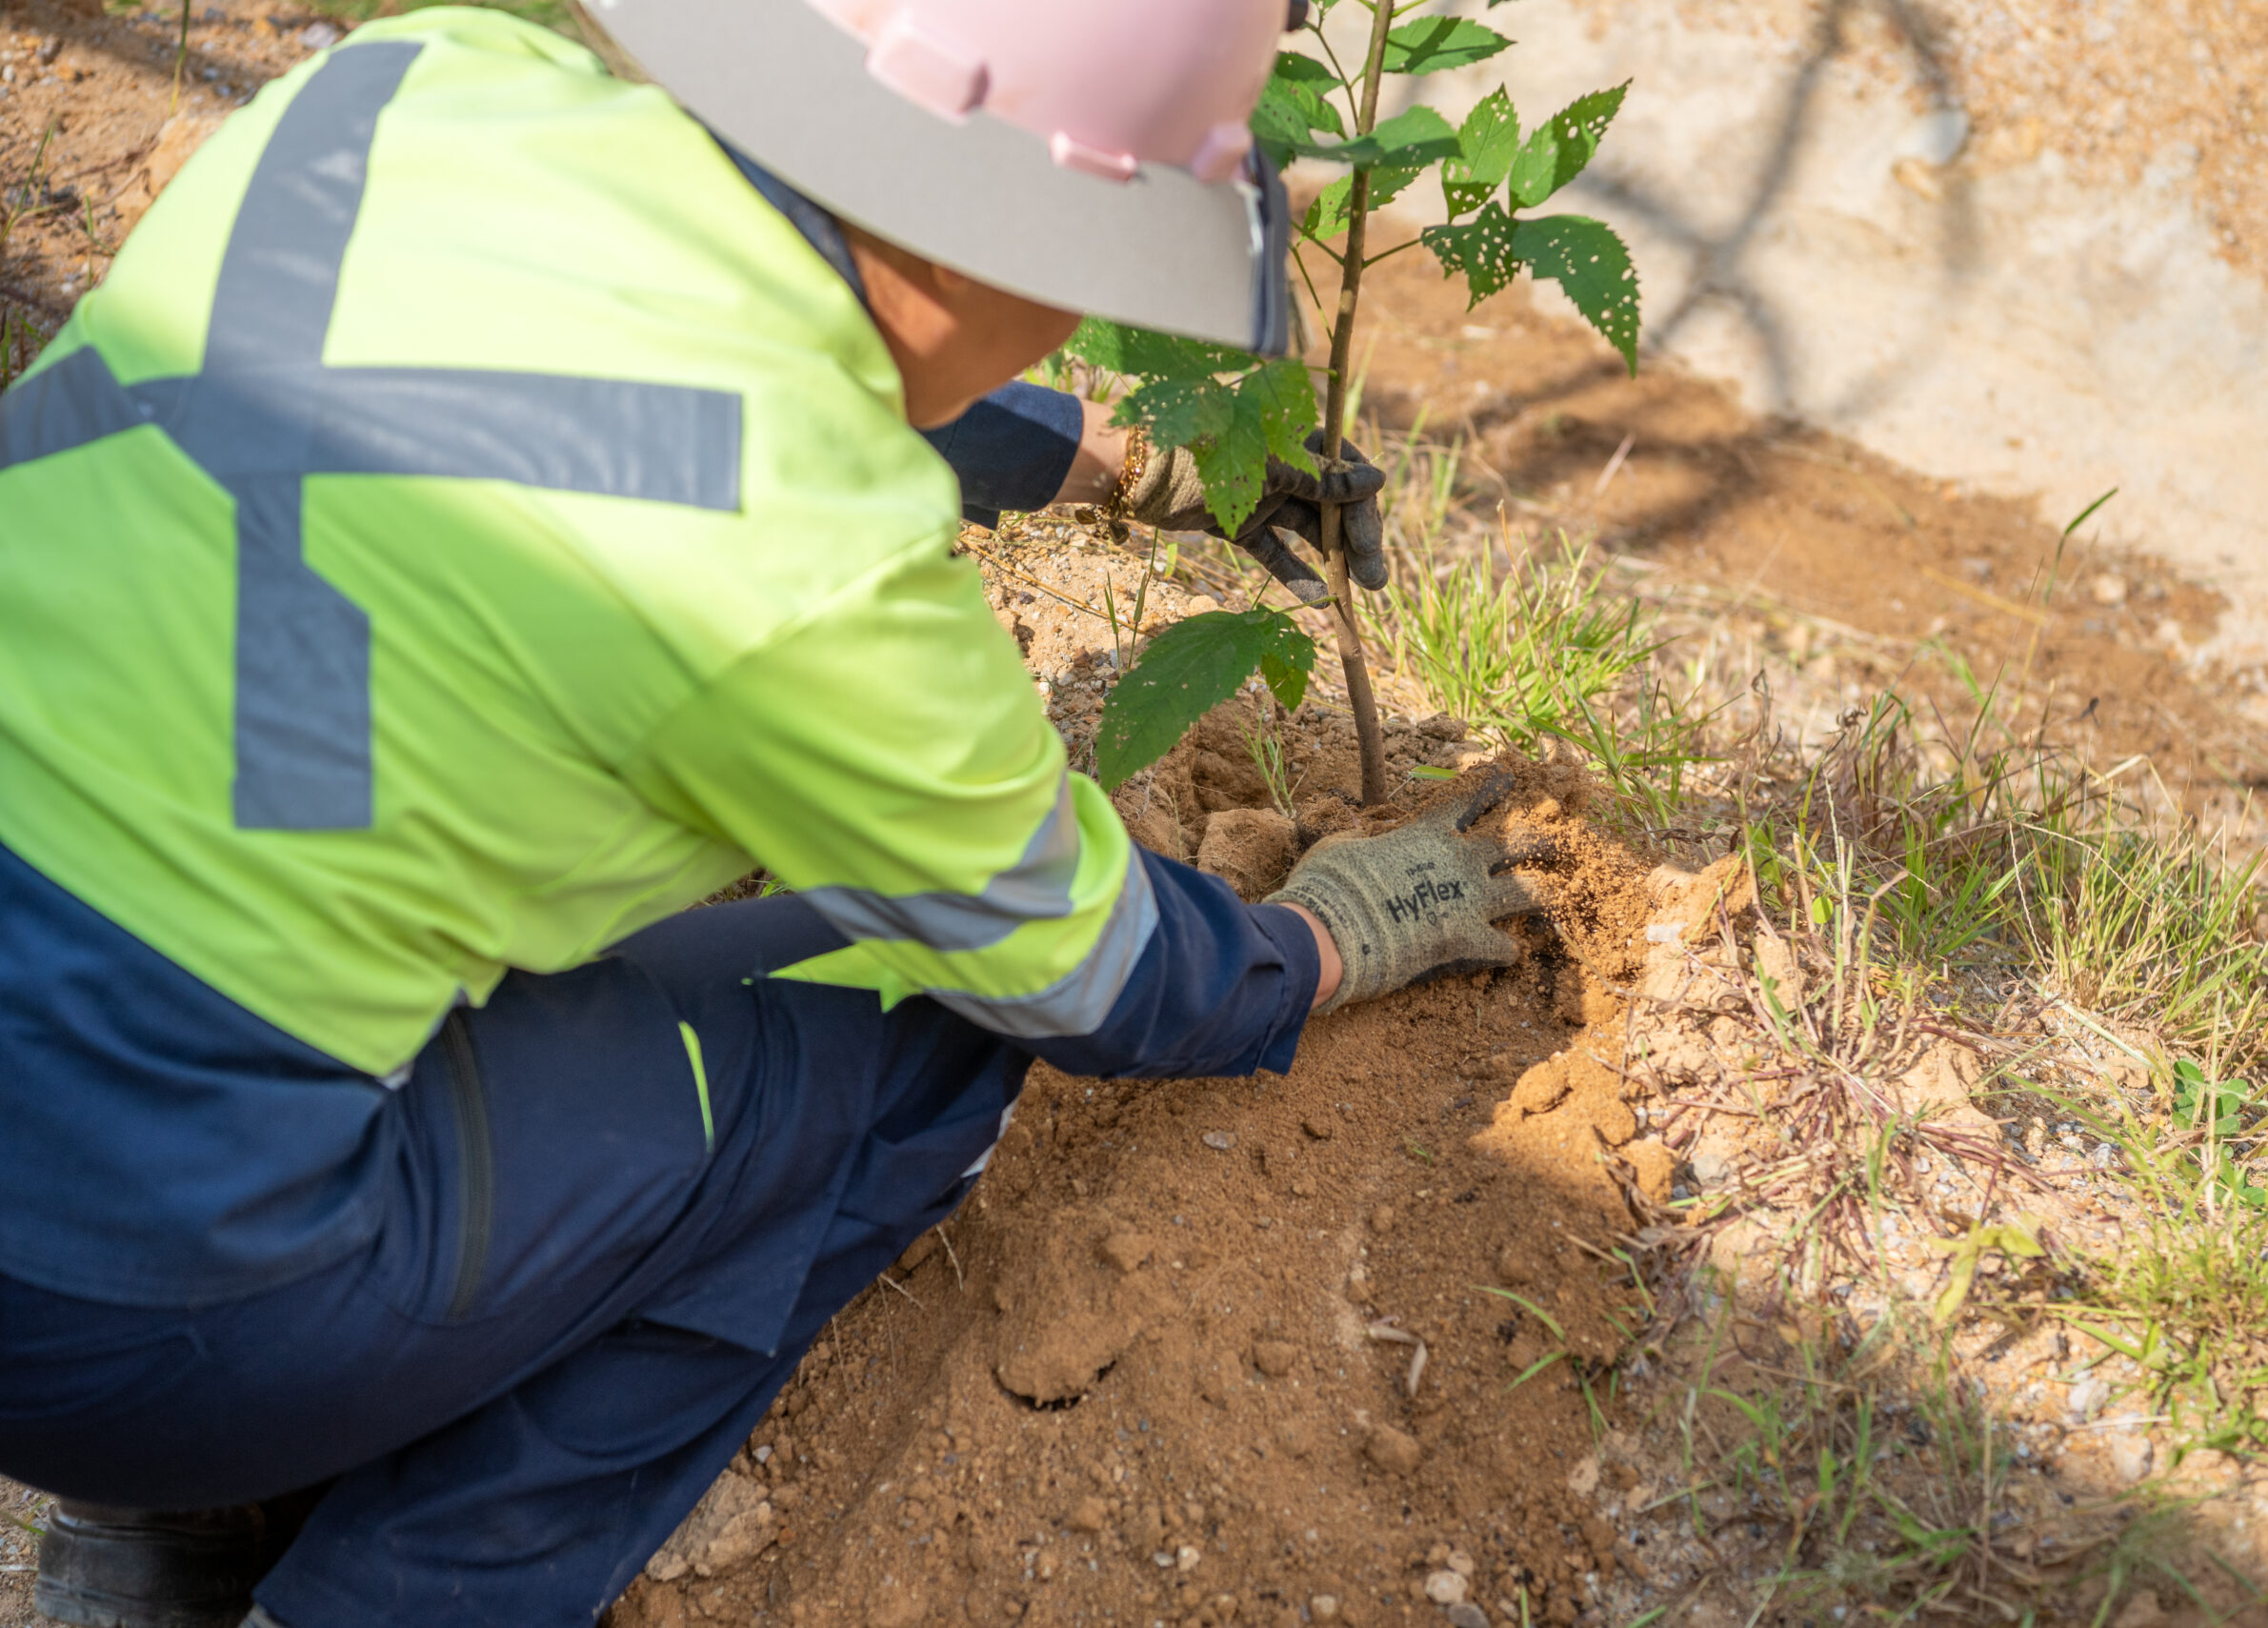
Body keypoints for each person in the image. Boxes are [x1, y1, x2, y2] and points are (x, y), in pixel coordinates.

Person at [0, 4, 1538, 1625]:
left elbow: (680, 346)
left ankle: (158, 1537)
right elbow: (1087, 974)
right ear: (1037, 224)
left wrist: (1141, 469)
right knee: (908, 1030)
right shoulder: (819, 574)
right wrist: (1327, 937)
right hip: (123, 1313)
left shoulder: (414, 84)